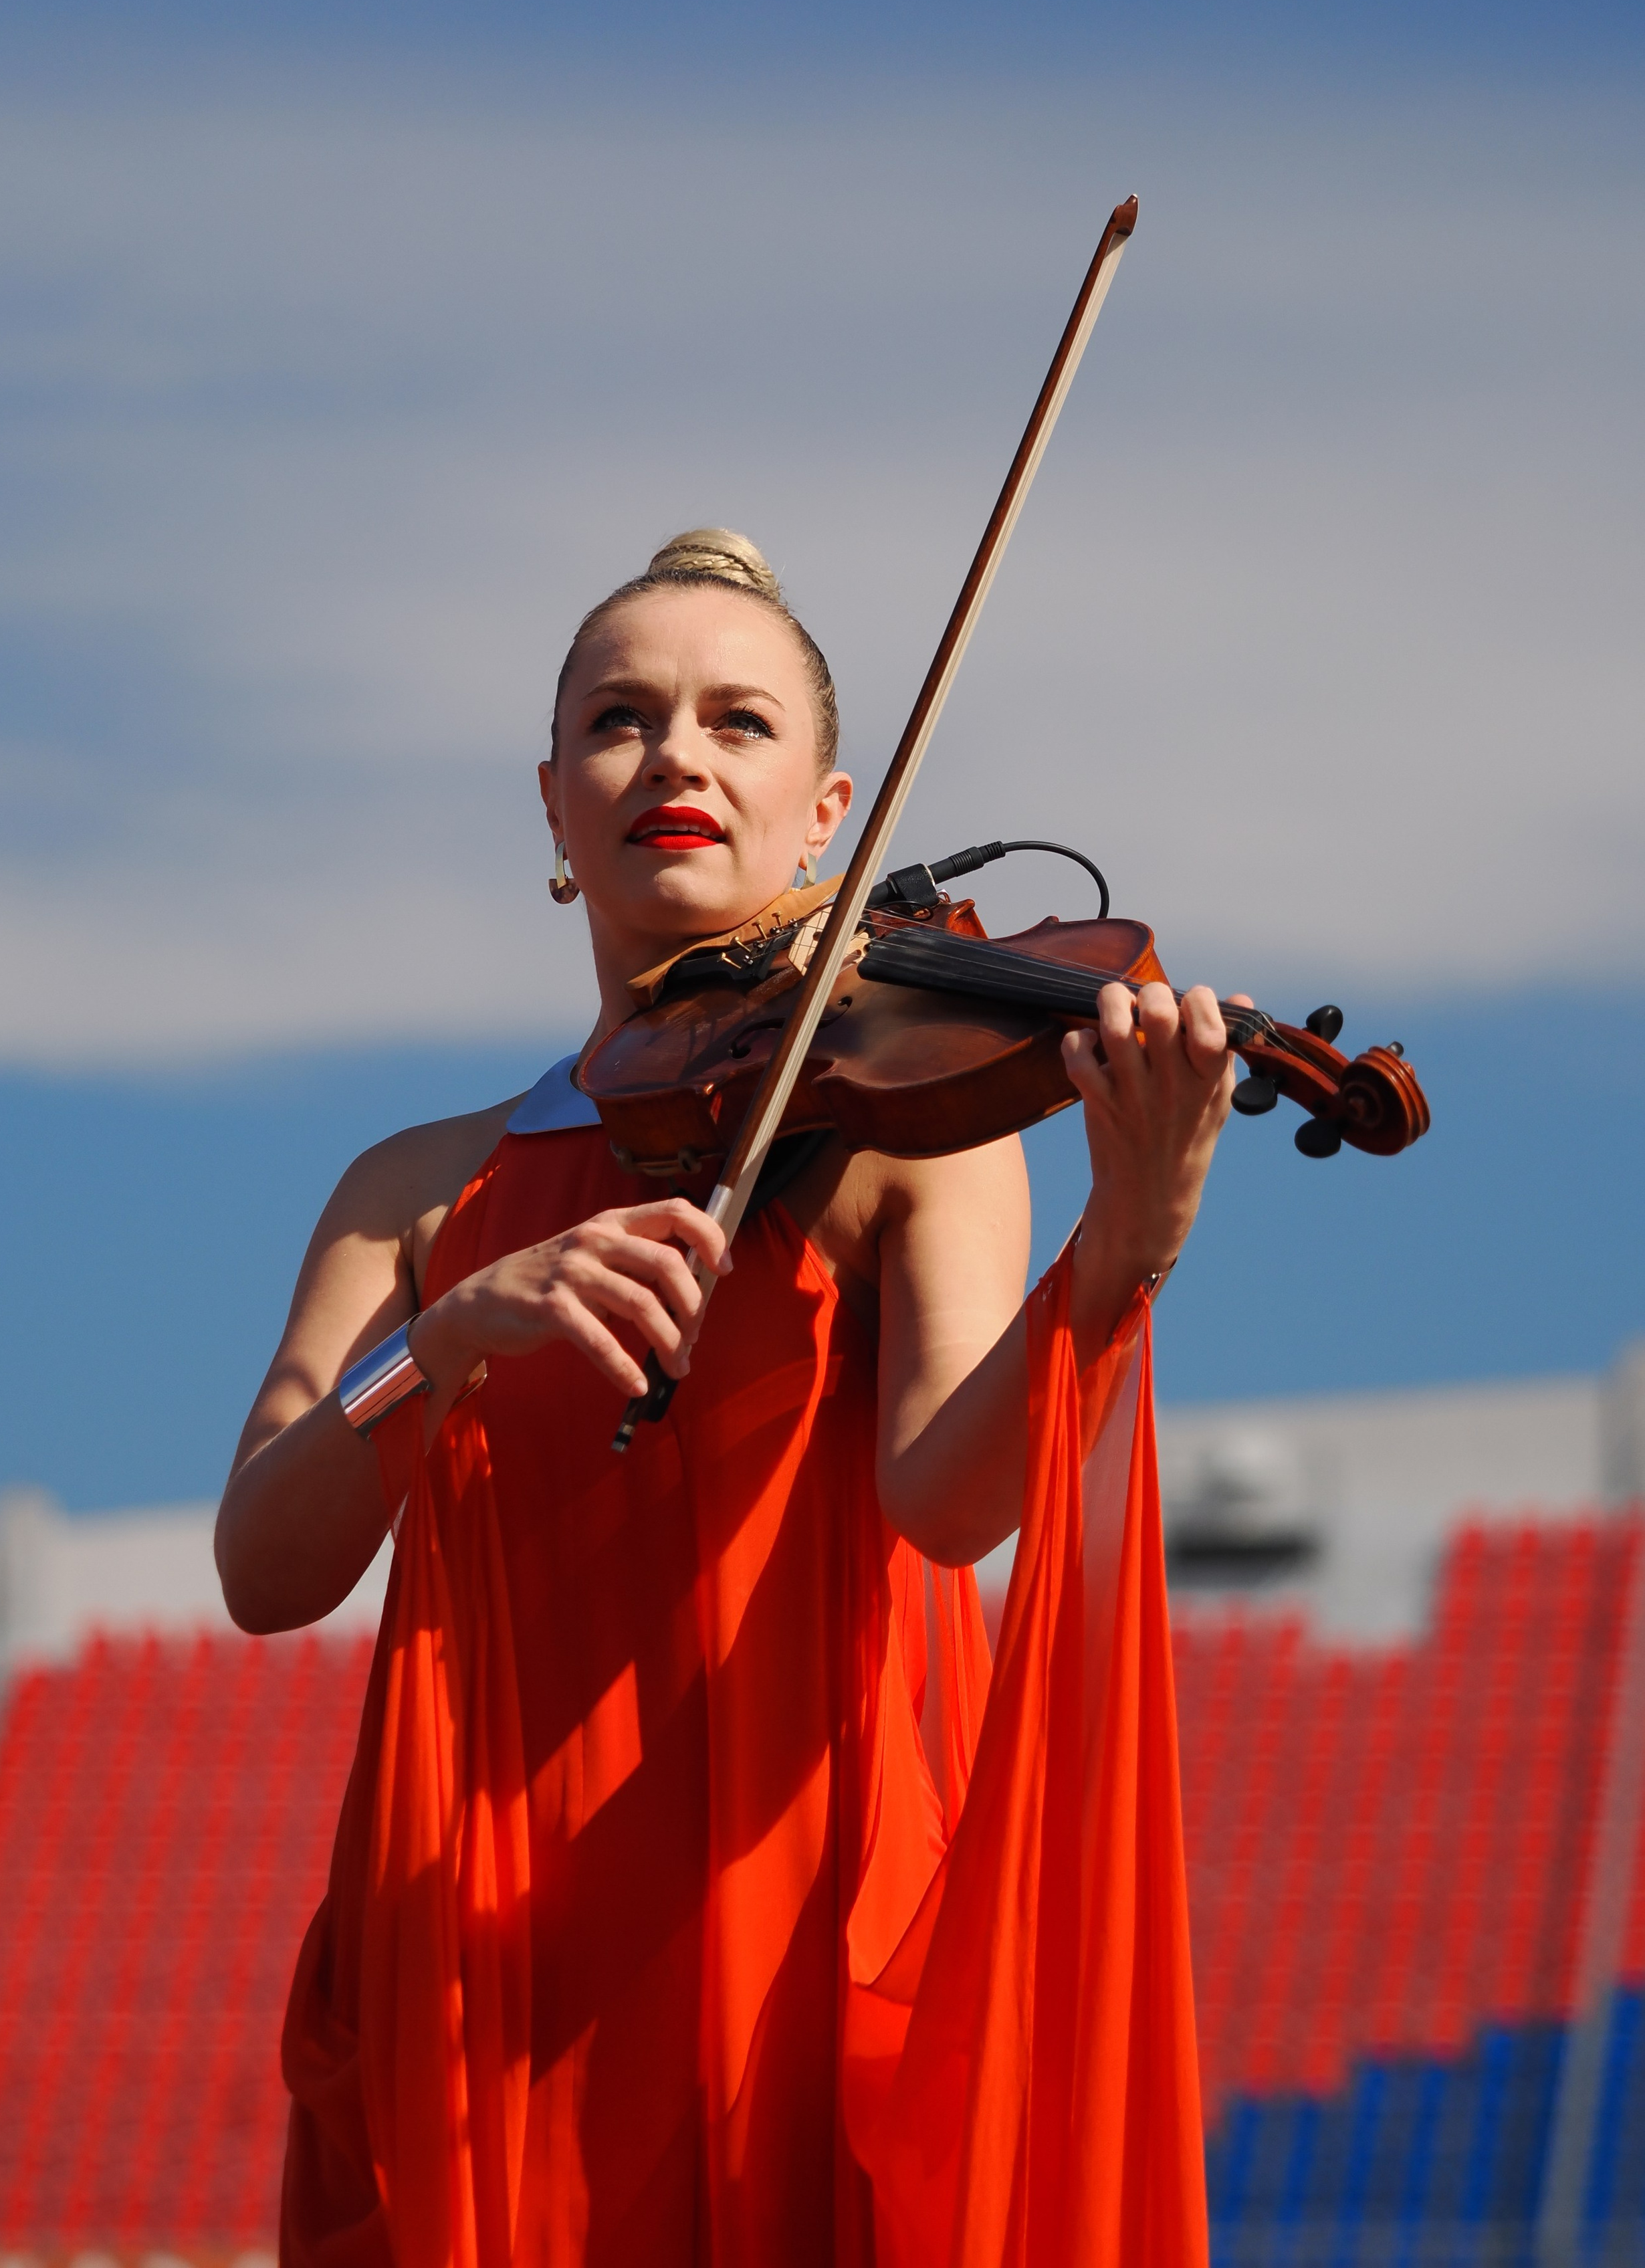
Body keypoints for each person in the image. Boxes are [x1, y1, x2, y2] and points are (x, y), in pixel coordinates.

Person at [216, 530, 1230, 2268]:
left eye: (734, 722)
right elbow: (264, 1564)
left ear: (827, 808)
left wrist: (1121, 1249)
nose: (674, 754)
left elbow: (947, 1502)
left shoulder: (906, 1139)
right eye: (621, 719)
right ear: (553, 802)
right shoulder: (417, 1187)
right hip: (479, 1953)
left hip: (798, 1926)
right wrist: (445, 1341)